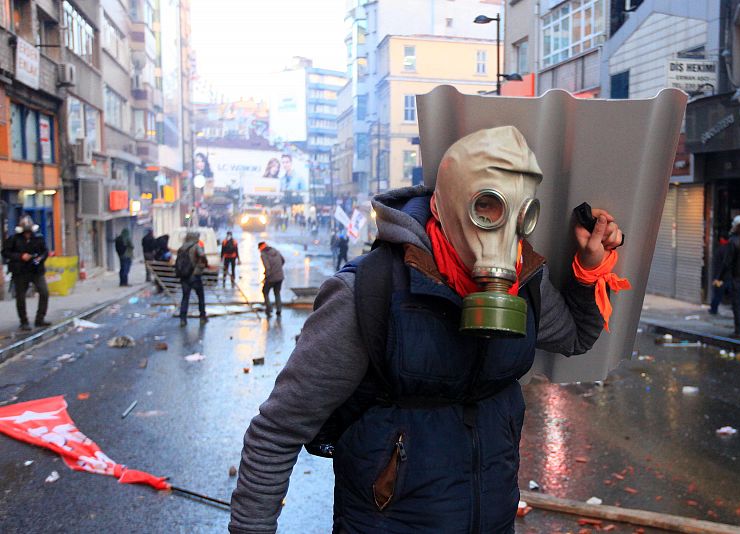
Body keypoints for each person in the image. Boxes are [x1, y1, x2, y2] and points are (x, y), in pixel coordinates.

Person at [229, 126, 626, 532]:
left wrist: (589, 267)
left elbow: (576, 337)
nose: (503, 232)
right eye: (487, 206)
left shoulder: (526, 284)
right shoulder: (368, 294)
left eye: (521, 214)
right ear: (446, 205)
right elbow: (277, 432)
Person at [2, 215, 50, 331]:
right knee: (20, 296)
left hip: (36, 270)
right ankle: (24, 321)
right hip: (20, 271)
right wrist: (20, 256)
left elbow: (45, 251)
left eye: (29, 232)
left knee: (44, 292)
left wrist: (39, 258)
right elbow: (5, 253)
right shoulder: (14, 239)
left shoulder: (38, 238)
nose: (28, 234)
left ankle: (40, 318)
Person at [177, 231, 208, 327]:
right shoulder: (196, 246)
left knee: (185, 297)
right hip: (194, 275)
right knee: (200, 297)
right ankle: (202, 316)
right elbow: (202, 255)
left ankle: (183, 319)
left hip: (184, 276)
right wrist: (205, 264)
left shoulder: (182, 247)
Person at [259, 241, 285, 317]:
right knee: (277, 293)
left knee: (265, 291)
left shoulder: (263, 254)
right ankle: (279, 310)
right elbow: (283, 260)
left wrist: (266, 277)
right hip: (280, 276)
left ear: (261, 247)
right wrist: (278, 269)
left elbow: (267, 268)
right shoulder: (275, 250)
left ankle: (269, 308)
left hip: (271, 277)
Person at [708, 236, 730, 315]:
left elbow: (718, 264)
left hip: (719, 277)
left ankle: (713, 309)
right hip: (726, 276)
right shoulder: (729, 249)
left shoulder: (719, 250)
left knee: (718, 293)